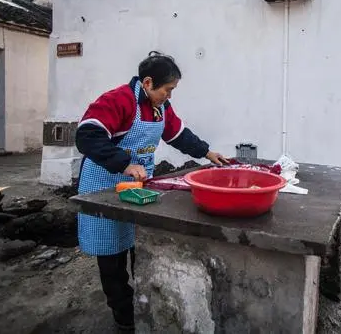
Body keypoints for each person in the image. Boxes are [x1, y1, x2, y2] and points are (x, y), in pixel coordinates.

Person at [75, 51, 228, 331]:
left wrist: (207, 152)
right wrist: (124, 163)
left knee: (138, 243)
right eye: (168, 89)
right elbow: (86, 136)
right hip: (103, 185)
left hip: (138, 187)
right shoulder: (118, 100)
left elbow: (178, 135)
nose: (170, 96)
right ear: (147, 83)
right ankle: (123, 317)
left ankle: (143, 304)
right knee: (111, 255)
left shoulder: (160, 108)